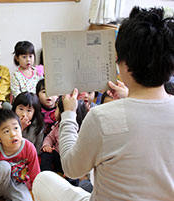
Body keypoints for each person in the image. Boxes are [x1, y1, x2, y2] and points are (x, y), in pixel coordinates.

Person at [32, 6, 174, 200]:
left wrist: (68, 116)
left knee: (43, 180)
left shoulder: (102, 117)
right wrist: (128, 97)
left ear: (123, 63)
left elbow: (71, 168)